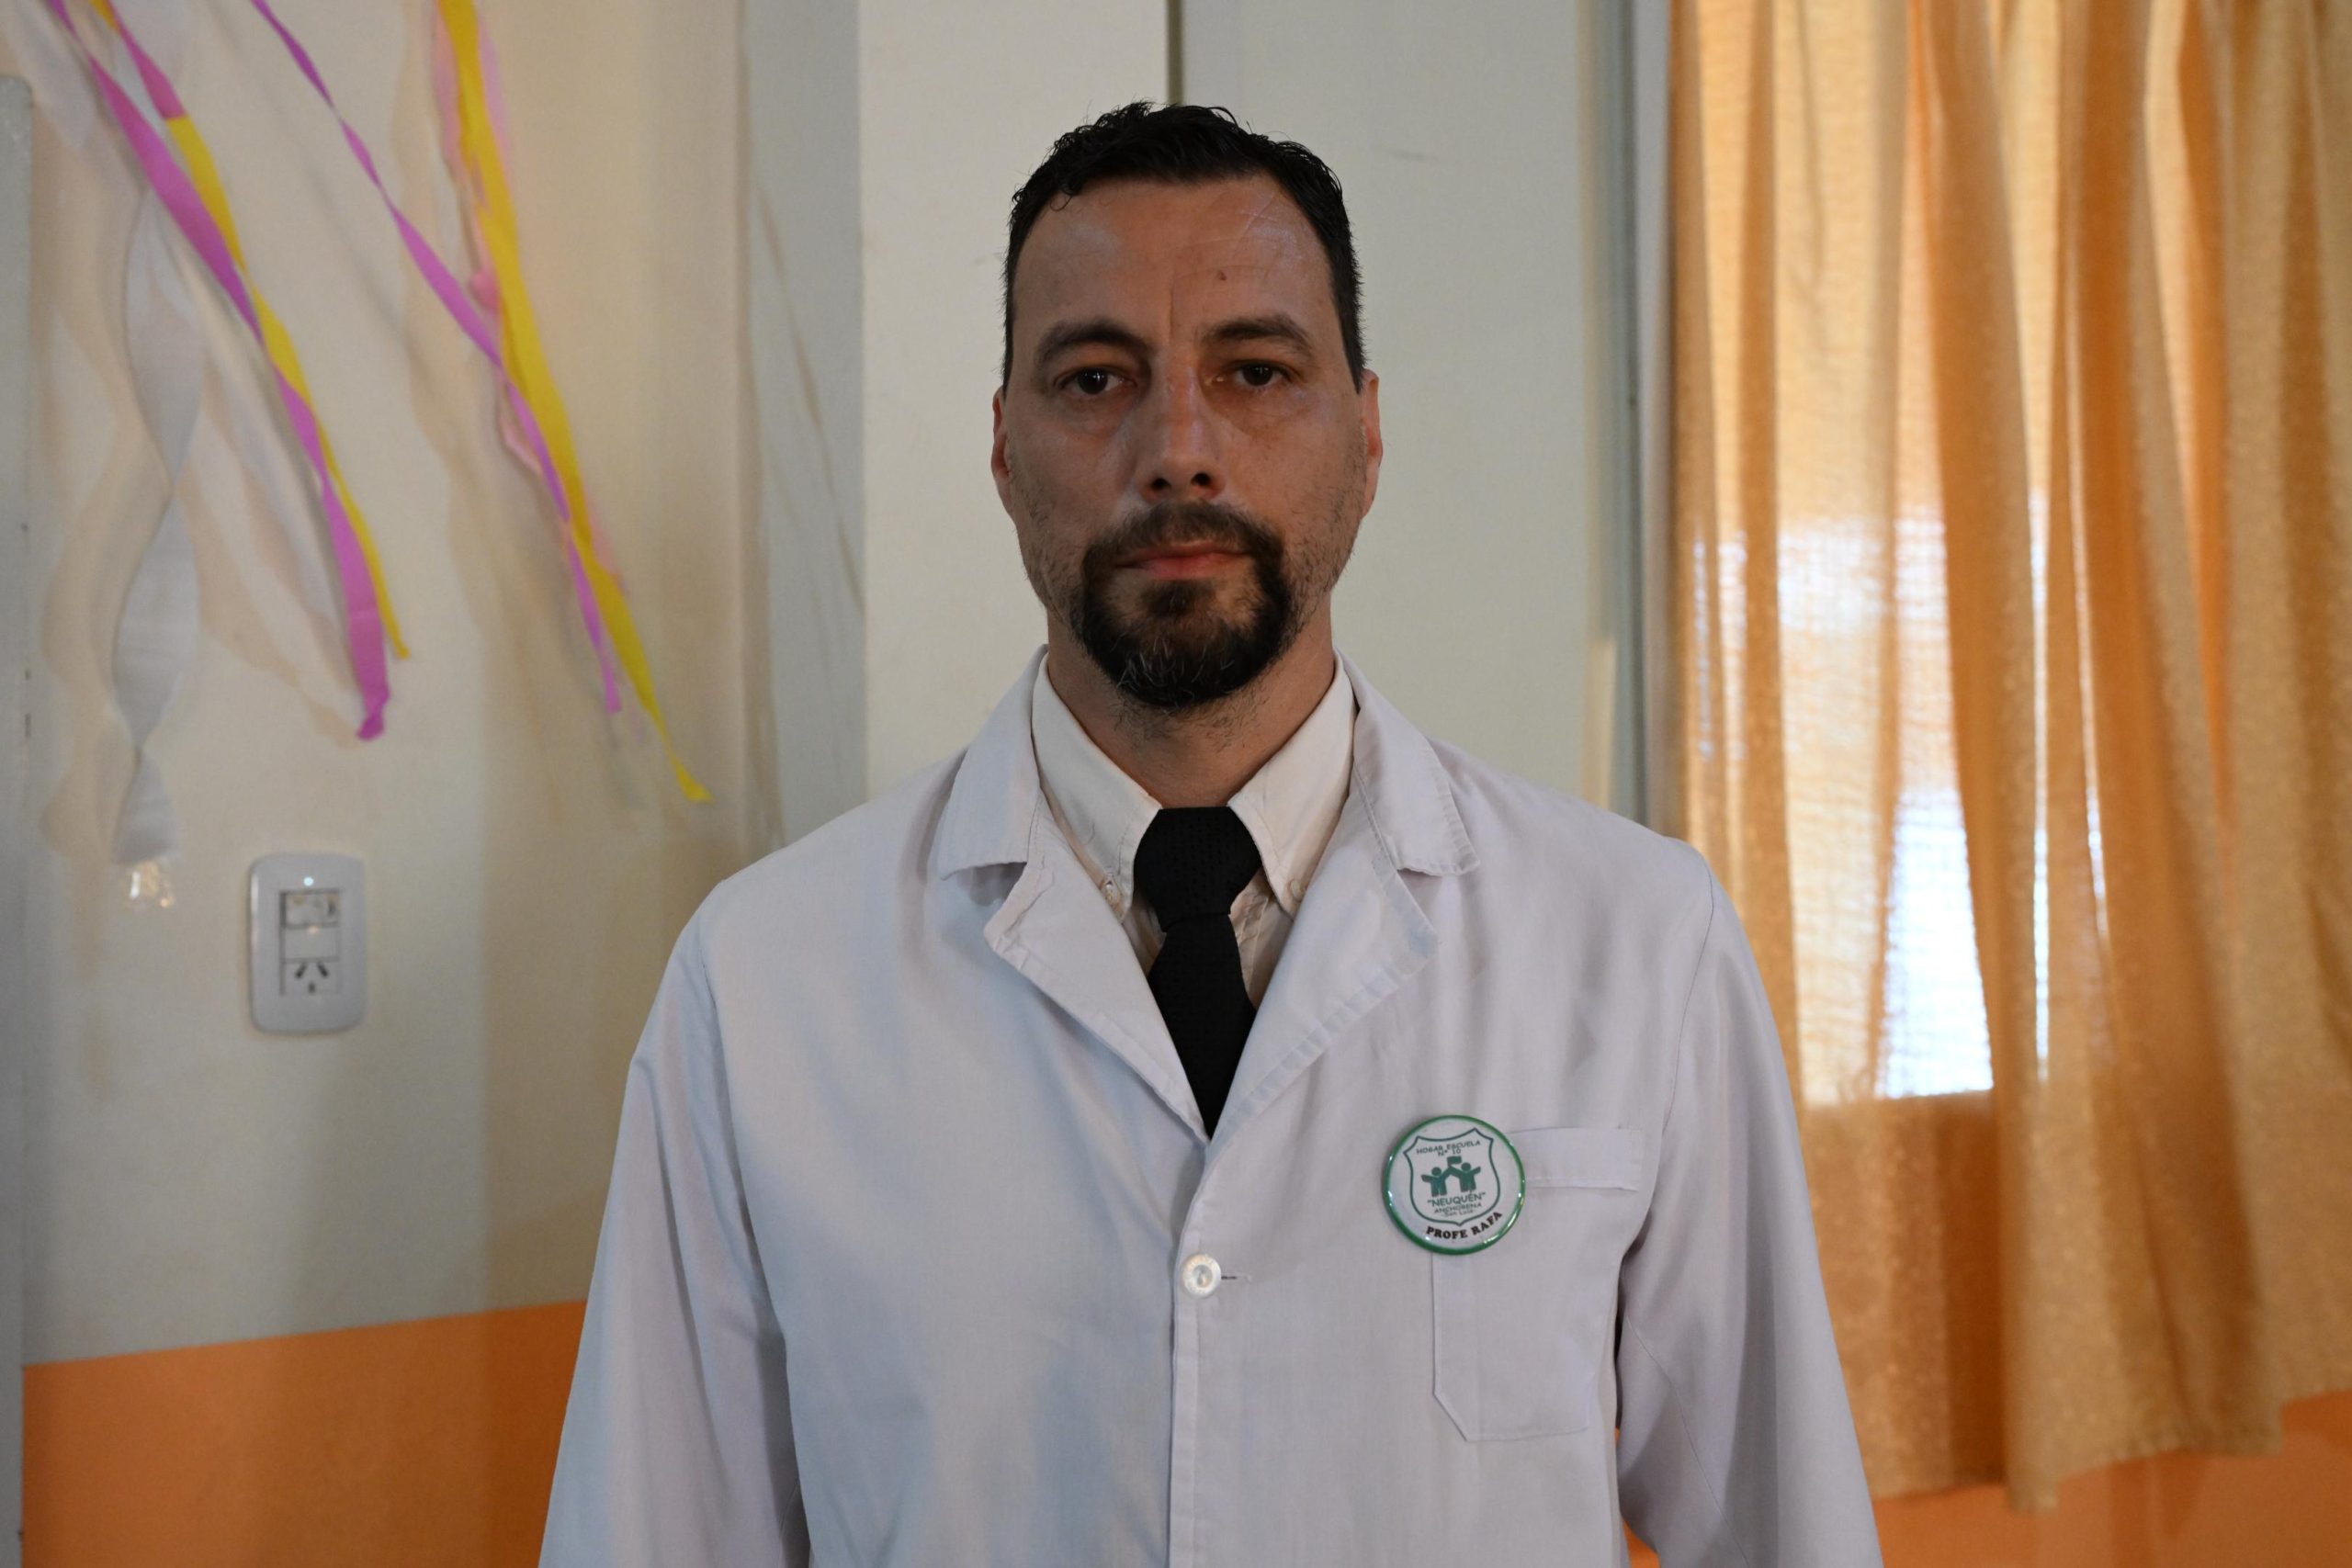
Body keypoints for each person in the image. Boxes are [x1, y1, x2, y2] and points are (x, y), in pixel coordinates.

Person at [539, 101, 1882, 1566]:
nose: (1179, 450)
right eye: (1095, 378)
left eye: (1255, 372)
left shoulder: (1635, 943)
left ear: (1367, 434)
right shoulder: (763, 986)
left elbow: (1786, 1529)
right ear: (1003, 448)